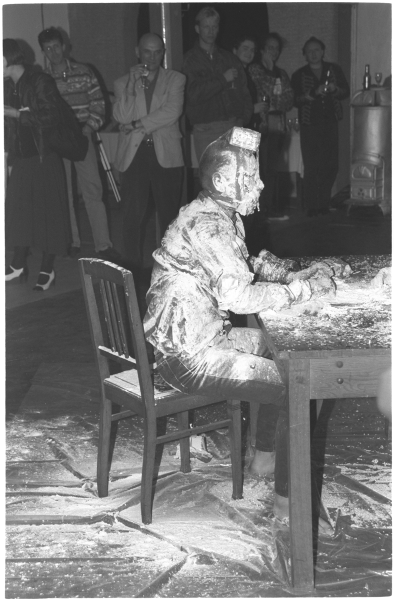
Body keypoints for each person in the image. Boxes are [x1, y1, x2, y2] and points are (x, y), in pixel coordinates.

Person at [143, 126, 335, 527]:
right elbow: (237, 296)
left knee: (271, 345)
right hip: (190, 357)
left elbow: (243, 264)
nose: (260, 184)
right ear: (220, 181)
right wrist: (299, 292)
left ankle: (264, 458)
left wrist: (289, 273)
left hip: (198, 338)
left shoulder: (213, 212)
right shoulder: (209, 226)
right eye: (249, 177)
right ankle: (288, 500)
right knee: (300, 384)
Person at [38, 27, 120, 261]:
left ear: (64, 46)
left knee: (93, 190)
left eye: (56, 46)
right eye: (48, 49)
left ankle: (103, 244)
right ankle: (71, 241)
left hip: (82, 136)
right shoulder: (43, 79)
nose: (53, 52)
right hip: (57, 140)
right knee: (63, 193)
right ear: (43, 52)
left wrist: (89, 127)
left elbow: (99, 103)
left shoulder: (84, 72)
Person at [113, 33, 185, 268]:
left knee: (169, 216)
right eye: (147, 51)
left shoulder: (175, 79)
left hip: (166, 154)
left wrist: (136, 124)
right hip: (135, 155)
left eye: (157, 52)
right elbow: (121, 116)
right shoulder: (122, 83)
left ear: (163, 53)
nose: (152, 57)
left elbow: (172, 112)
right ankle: (131, 268)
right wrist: (131, 87)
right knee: (131, 215)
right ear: (137, 52)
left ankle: (168, 267)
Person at [4, 38, 71, 290]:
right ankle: (18, 264)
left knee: (48, 215)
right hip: (21, 159)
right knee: (19, 213)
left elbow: (52, 116)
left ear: (6, 60)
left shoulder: (40, 81)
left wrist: (16, 114)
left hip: (44, 157)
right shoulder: (8, 85)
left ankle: (47, 269)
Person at [182, 6, 253, 164]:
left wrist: (243, 120)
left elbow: (245, 93)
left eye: (214, 27)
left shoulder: (230, 58)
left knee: (239, 177)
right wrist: (222, 79)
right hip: (206, 129)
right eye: (206, 26)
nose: (211, 31)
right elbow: (192, 95)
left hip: (234, 126)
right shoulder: (189, 61)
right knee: (213, 177)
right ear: (197, 29)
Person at [291, 36, 349, 217]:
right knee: (312, 166)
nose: (314, 53)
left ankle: (323, 203)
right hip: (309, 125)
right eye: (309, 51)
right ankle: (312, 205)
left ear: (323, 52)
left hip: (330, 123)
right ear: (305, 55)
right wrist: (312, 93)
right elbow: (295, 100)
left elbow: (345, 91)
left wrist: (334, 89)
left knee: (331, 165)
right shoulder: (299, 74)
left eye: (317, 50)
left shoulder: (334, 69)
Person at [248, 33, 294, 221]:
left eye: (276, 48)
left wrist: (274, 102)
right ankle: (260, 210)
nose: (274, 52)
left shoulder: (281, 73)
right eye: (270, 48)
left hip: (278, 126)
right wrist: (274, 100)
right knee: (260, 169)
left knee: (273, 169)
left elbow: (288, 100)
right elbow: (262, 92)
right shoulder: (254, 69)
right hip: (260, 125)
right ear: (262, 49)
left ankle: (271, 208)